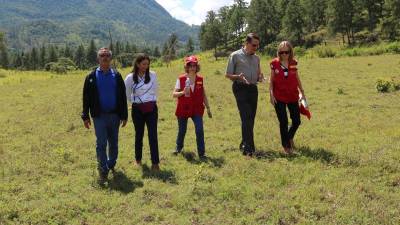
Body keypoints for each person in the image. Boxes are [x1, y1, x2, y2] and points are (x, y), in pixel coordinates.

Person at [81, 47, 128, 182]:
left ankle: (111, 163)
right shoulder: (91, 77)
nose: (105, 57)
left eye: (107, 55)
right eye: (102, 55)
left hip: (115, 116)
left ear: (111, 58)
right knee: (101, 143)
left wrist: (124, 115)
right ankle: (103, 169)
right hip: (99, 116)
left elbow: (122, 97)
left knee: (113, 143)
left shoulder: (117, 75)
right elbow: (86, 98)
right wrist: (85, 116)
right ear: (98, 59)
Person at [225, 33, 263, 156]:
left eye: (257, 45)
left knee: (250, 118)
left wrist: (260, 77)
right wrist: (238, 77)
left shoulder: (257, 58)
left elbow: (258, 74)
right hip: (240, 88)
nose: (255, 48)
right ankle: (249, 150)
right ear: (246, 43)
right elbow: (228, 74)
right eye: (253, 45)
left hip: (253, 89)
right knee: (246, 117)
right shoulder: (235, 56)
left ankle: (244, 143)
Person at [269, 41, 306, 154]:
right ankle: (286, 147)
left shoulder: (294, 63)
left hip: (292, 95)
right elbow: (271, 80)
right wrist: (271, 94)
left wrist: (302, 92)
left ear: (290, 51)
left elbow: (296, 77)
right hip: (278, 96)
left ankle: (289, 137)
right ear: (278, 52)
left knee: (296, 121)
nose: (284, 54)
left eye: (287, 52)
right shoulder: (274, 64)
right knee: (283, 121)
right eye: (282, 52)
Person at [124, 53, 160, 171]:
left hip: (151, 109)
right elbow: (127, 94)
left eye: (147, 64)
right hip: (137, 110)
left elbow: (155, 90)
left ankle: (155, 163)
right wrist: (137, 102)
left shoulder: (153, 75)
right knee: (139, 135)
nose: (146, 66)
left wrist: (149, 101)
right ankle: (138, 160)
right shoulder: (130, 77)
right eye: (143, 64)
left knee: (153, 135)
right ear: (138, 64)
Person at [172, 55, 212, 159]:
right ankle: (178, 148)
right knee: (182, 130)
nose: (192, 68)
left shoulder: (200, 79)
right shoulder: (181, 79)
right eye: (190, 65)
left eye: (194, 65)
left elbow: (203, 94)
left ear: (197, 66)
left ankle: (202, 153)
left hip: (196, 109)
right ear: (187, 67)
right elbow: (174, 94)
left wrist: (208, 107)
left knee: (199, 130)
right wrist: (182, 92)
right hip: (183, 108)